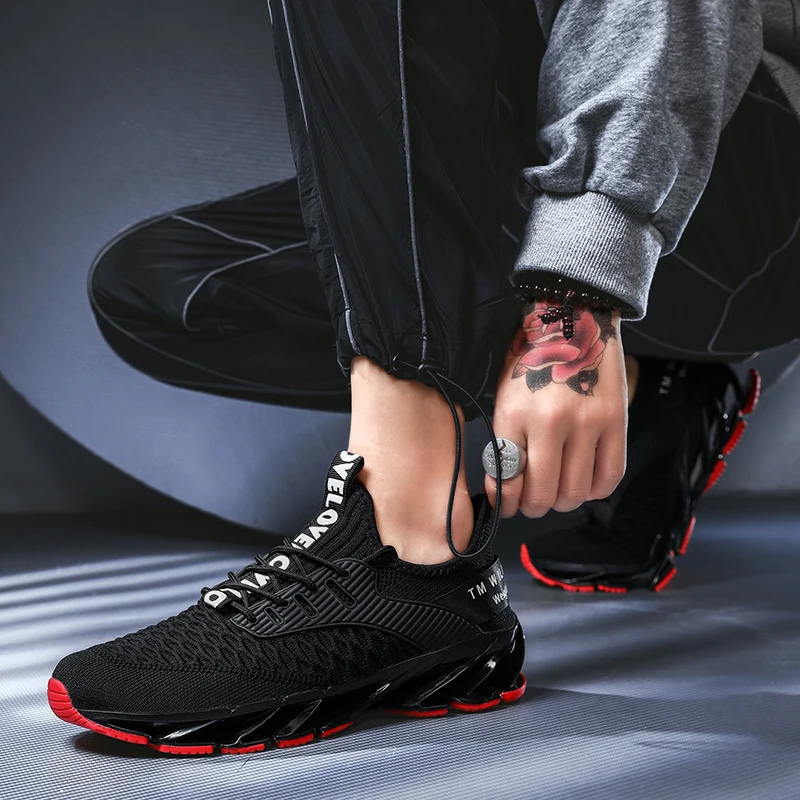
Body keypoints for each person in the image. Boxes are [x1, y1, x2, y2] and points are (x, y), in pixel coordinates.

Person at [47, 0, 799, 755]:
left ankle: (409, 543)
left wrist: (574, 292)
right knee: (163, 290)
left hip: (744, 172)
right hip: (542, 155)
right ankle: (657, 391)